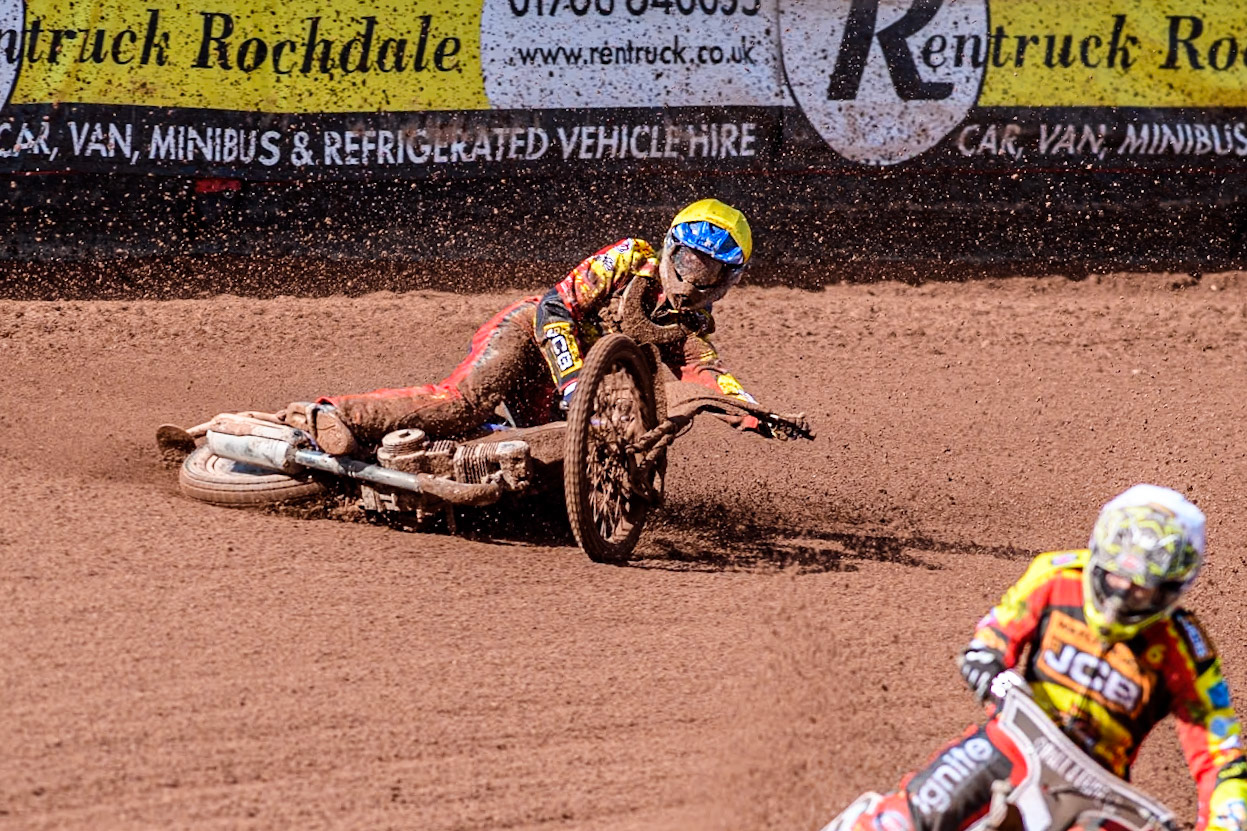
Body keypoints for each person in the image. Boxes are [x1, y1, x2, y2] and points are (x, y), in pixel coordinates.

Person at [823, 484, 1247, 831]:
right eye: (1117, 575)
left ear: (1173, 588)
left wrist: (1227, 820)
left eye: (1142, 588)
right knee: (900, 821)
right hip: (1015, 739)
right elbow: (990, 641)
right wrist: (997, 676)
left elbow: (1220, 756)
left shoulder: (1186, 648)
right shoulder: (1056, 577)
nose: (1122, 593)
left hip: (1098, 789)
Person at [282, 198, 807, 454]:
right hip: (528, 331)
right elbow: (555, 307)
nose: (694, 280)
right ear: (672, 250)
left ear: (726, 281)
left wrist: (759, 416)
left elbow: (711, 381)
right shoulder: (628, 258)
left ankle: (465, 454)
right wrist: (574, 379)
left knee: (551, 459)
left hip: (565, 396)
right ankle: (331, 415)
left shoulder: (689, 330)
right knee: (466, 400)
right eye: (691, 263)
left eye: (709, 272)